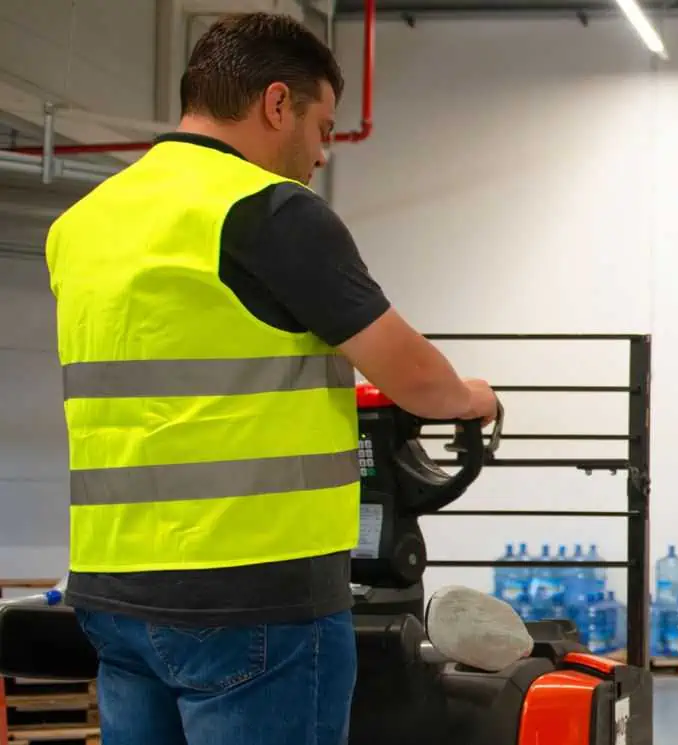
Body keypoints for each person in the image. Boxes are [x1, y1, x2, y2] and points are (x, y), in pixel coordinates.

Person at [44, 13, 497, 745]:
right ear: (276, 102)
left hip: (113, 590)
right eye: (322, 125)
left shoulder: (84, 222)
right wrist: (474, 397)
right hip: (254, 597)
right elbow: (416, 379)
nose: (322, 150)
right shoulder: (270, 212)